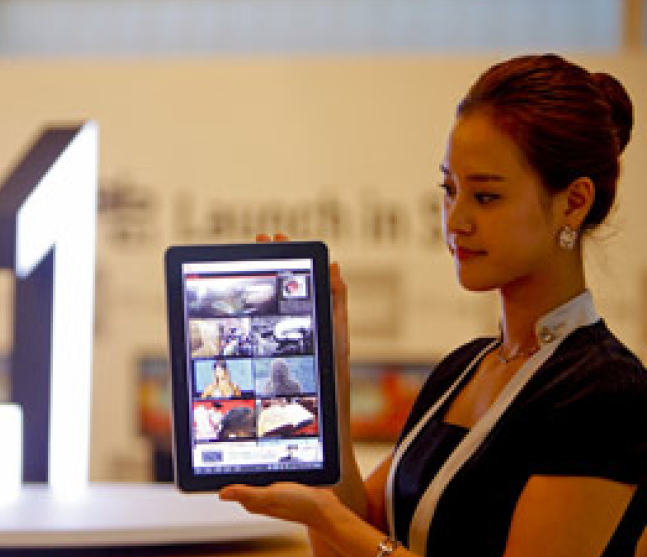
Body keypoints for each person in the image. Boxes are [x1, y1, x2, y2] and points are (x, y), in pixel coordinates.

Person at [219, 54, 647, 557]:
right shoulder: (462, 368)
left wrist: (326, 516)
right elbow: (348, 539)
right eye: (449, 190)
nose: (454, 220)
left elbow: (349, 531)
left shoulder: (604, 393)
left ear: (573, 202)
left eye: (485, 197)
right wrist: (327, 371)